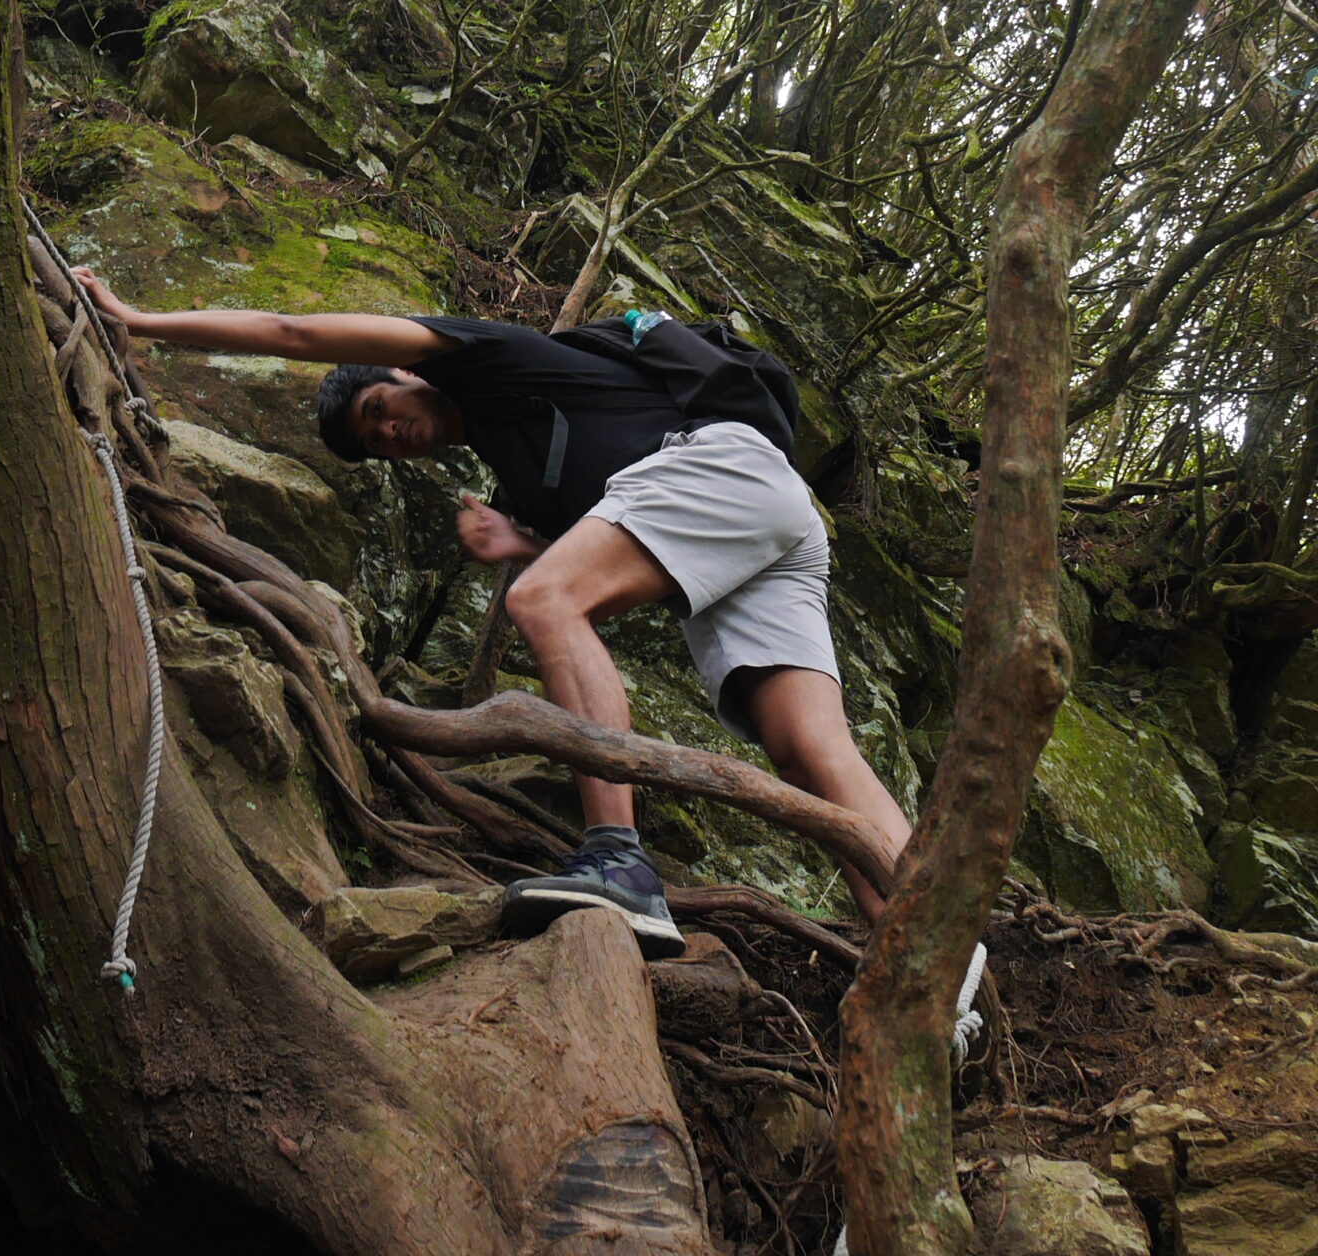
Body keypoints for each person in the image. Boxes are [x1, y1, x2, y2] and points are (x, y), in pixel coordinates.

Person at [71, 274, 911, 953]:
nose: (390, 433)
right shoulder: (519, 474)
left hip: (725, 465)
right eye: (374, 443)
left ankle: (620, 864)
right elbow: (631, 566)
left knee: (540, 599)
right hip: (767, 518)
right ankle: (916, 939)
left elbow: (295, 333)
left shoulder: (487, 357)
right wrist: (523, 541)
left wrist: (139, 320)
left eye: (379, 410)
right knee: (809, 752)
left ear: (406, 375)